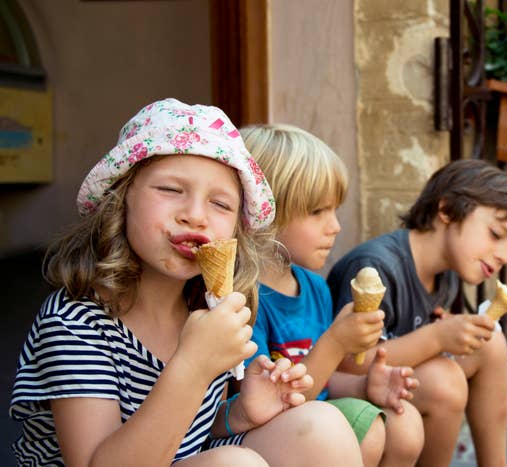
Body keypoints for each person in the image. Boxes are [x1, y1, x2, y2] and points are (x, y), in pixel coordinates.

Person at [9, 99, 363, 467]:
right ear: (120, 198)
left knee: (322, 426)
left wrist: (239, 412)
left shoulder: (208, 306)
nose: (195, 215)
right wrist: (193, 364)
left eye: (220, 204)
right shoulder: (75, 324)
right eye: (171, 190)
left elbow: (191, 435)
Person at [327, 158, 507, 467]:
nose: (503, 255)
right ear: (446, 211)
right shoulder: (376, 268)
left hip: (393, 379)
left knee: (490, 342)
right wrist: (437, 337)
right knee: (445, 382)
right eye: (496, 234)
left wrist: (447, 333)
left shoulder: (447, 274)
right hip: (340, 389)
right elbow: (347, 364)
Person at [241, 123, 425, 467]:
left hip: (315, 417)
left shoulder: (314, 286)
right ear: (264, 212)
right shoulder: (244, 301)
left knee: (406, 422)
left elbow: (322, 381)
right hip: (272, 434)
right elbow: (273, 404)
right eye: (317, 212)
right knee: (368, 432)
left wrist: (366, 387)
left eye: (335, 210)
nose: (336, 226)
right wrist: (336, 343)